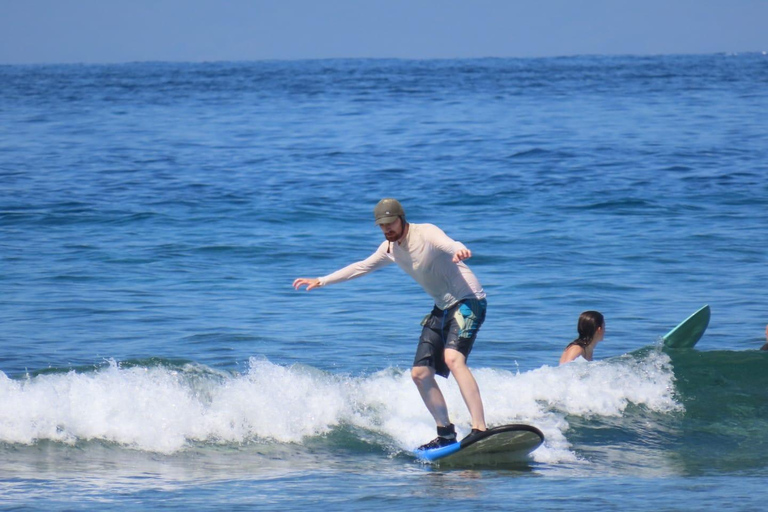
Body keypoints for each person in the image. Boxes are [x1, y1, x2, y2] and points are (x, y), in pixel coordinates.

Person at [293, 198, 488, 450]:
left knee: (453, 358)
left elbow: (450, 244)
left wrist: (459, 250)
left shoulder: (425, 232)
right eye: (382, 225)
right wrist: (322, 280)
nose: (387, 229)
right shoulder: (390, 248)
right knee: (420, 374)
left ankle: (479, 428)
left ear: (401, 218)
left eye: (390, 223)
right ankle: (445, 433)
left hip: (468, 300)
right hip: (441, 307)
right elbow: (361, 267)